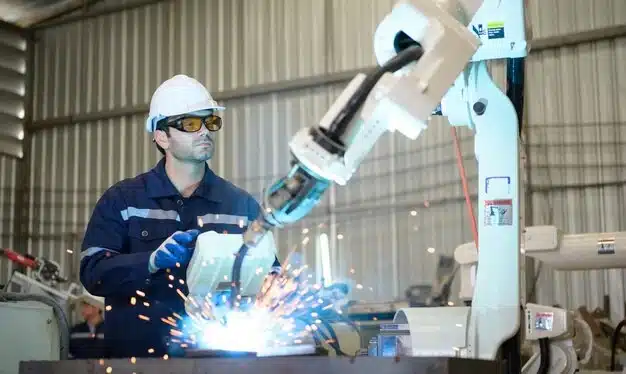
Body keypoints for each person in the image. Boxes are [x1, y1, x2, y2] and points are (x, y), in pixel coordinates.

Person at [79, 74, 281, 358]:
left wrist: (274, 284)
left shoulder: (240, 205)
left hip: (219, 359)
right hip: (139, 362)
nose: (204, 132)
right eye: (190, 124)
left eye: (210, 122)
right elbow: (92, 272)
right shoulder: (123, 201)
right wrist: (149, 261)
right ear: (162, 136)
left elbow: (270, 272)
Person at [69, 294, 106, 359]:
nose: (82, 310)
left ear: (96, 308)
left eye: (86, 306)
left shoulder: (111, 330)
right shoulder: (75, 331)